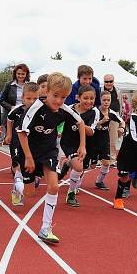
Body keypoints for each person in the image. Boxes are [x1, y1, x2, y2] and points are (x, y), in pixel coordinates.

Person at [17, 72, 86, 244]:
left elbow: (80, 123)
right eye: (55, 96)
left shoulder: (63, 109)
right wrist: (28, 157)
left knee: (54, 186)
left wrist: (82, 145)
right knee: (29, 193)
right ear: (46, 91)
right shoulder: (35, 108)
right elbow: (22, 133)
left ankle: (45, 229)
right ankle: (17, 185)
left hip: (49, 152)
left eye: (63, 97)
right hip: (29, 151)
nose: (59, 101)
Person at [57, 85, 97, 207]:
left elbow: (91, 132)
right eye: (85, 98)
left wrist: (79, 123)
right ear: (78, 97)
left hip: (86, 143)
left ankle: (67, 164)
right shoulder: (68, 109)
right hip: (68, 142)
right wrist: (59, 130)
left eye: (92, 98)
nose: (89, 101)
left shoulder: (94, 112)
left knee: (81, 168)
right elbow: (58, 121)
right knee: (79, 167)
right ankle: (71, 194)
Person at [5, 81, 40, 206]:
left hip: (32, 145)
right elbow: (9, 119)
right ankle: (17, 192)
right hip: (16, 143)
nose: (32, 101)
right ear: (22, 98)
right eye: (29, 98)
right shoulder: (17, 110)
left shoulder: (40, 112)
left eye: (35, 98)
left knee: (30, 167)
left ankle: (26, 181)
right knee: (18, 166)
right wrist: (9, 134)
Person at [92, 91, 123, 191]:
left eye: (108, 100)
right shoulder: (94, 111)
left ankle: (99, 181)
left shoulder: (112, 113)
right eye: (104, 100)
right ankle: (75, 185)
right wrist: (100, 123)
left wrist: (121, 128)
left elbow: (121, 121)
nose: (106, 102)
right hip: (92, 142)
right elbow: (88, 126)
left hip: (105, 142)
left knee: (106, 163)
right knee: (90, 165)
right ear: (100, 100)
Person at [102, 75, 121, 158]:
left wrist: (120, 115)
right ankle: (101, 158)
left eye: (111, 81)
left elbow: (120, 103)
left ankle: (112, 158)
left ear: (113, 81)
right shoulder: (100, 90)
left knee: (113, 139)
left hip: (114, 117)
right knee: (101, 139)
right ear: (104, 82)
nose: (109, 83)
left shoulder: (118, 90)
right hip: (103, 117)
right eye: (106, 81)